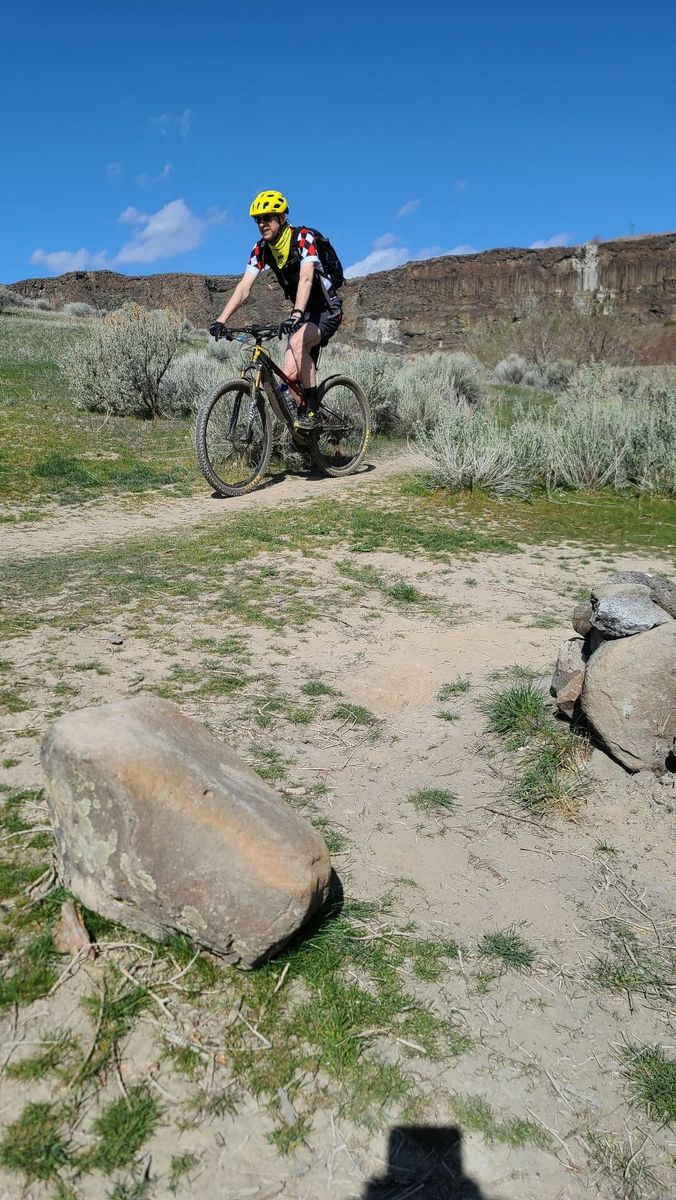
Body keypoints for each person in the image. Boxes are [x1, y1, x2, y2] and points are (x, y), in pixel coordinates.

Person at [209, 190, 343, 429]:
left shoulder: (303, 238)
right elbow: (244, 287)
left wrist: (296, 314)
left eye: (268, 218)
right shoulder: (261, 248)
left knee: (298, 342)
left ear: (281, 218)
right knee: (288, 378)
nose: (262, 224)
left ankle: (313, 411)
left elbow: (306, 278)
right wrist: (221, 320)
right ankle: (306, 434)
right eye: (258, 220)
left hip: (326, 309)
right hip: (302, 312)